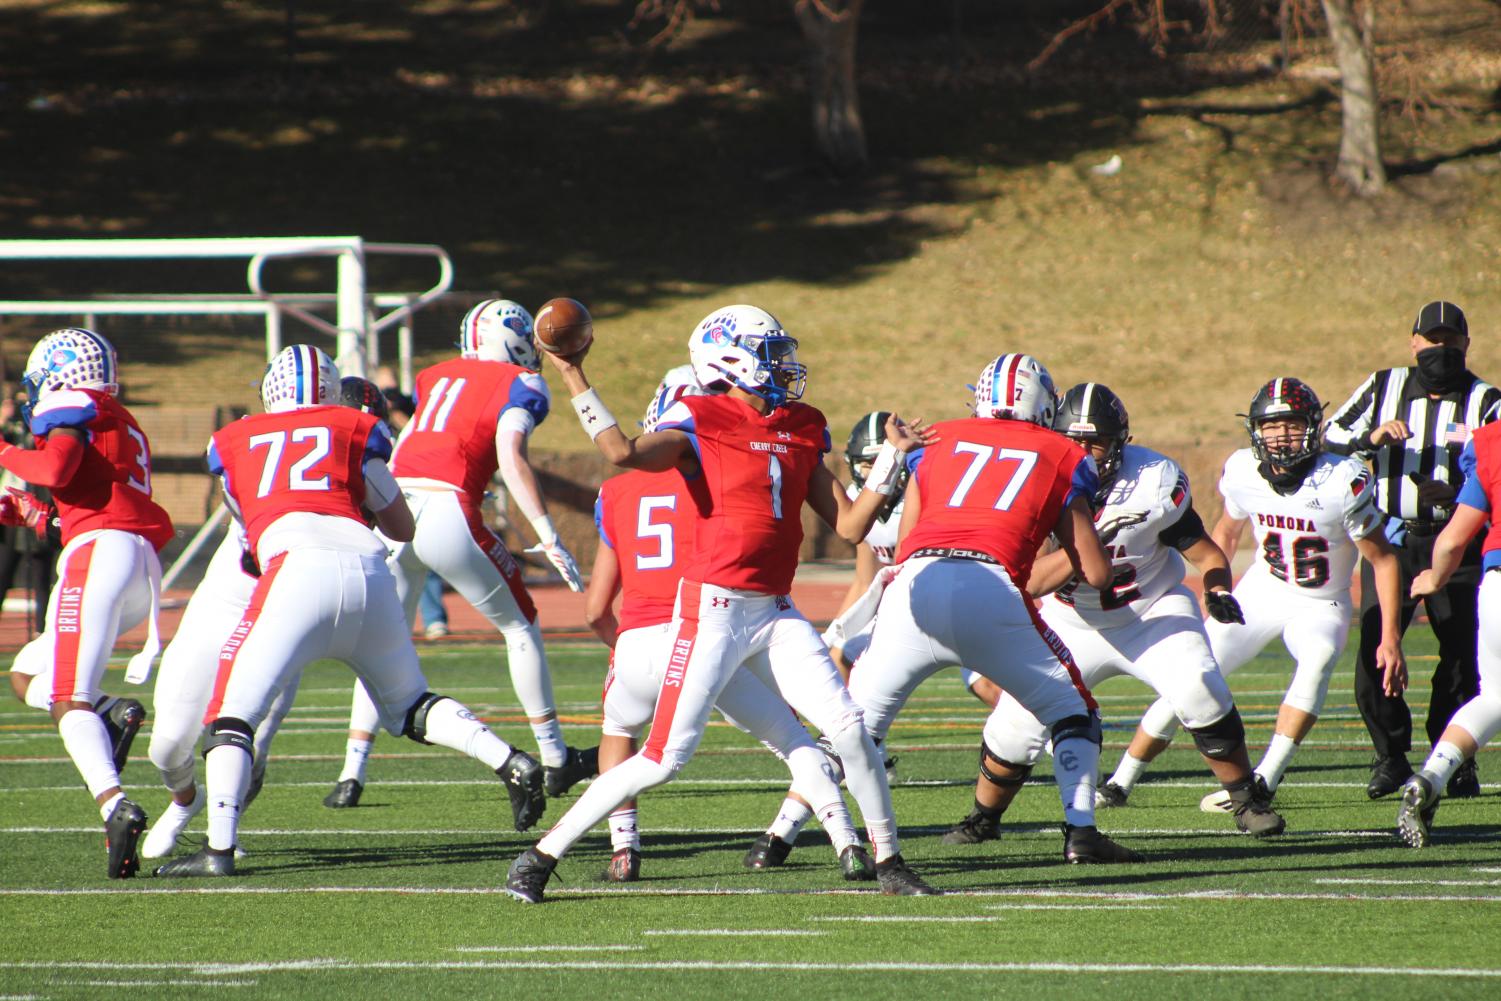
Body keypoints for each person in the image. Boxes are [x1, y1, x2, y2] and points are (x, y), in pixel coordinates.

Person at [506, 303, 936, 903]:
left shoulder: (802, 424)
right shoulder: (702, 418)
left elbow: (851, 525)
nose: (785, 363)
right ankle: (542, 855)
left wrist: (892, 461)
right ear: (729, 360)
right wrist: (574, 373)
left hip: (776, 611)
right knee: (662, 758)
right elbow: (622, 452)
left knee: (849, 729)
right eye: (771, 352)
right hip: (714, 610)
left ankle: (890, 860)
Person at [154, 346, 545, 878]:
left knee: (232, 715)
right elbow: (401, 527)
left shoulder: (233, 440)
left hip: (294, 572)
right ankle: (511, 761)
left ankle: (219, 849)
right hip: (369, 570)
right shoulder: (354, 427)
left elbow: (249, 535)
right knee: (410, 705)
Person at [942, 383, 1284, 844]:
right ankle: (983, 819)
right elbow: (1031, 580)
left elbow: (1206, 554)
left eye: (1094, 442)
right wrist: (1090, 546)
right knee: (1015, 724)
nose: (1081, 452)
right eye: (1072, 440)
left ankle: (1247, 800)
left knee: (1199, 686)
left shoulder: (1153, 481)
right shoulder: (1033, 476)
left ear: (1119, 443)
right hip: (1070, 619)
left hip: (1150, 610)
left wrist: (1217, 587)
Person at [844, 354, 1141, 865]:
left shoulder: (937, 439)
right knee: (1074, 712)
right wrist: (1096, 539)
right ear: (1044, 405)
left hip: (914, 586)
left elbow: (911, 539)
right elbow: (1094, 573)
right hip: (991, 585)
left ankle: (814, 837)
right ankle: (1082, 832)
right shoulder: (1062, 452)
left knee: (853, 727)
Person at [583, 371, 874, 883]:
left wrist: (620, 643)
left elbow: (594, 609)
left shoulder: (617, 492)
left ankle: (619, 847)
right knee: (795, 743)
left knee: (624, 734)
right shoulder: (721, 473)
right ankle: (847, 839)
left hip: (644, 641)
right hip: (707, 628)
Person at [324, 299, 593, 810]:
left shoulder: (434, 376)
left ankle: (350, 773)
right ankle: (556, 760)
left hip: (394, 505)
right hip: (446, 508)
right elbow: (510, 457)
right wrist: (547, 533)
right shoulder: (523, 384)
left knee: (385, 641)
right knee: (521, 627)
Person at [1099, 378, 1406, 806]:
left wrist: (1389, 637)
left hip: (1322, 601)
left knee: (1316, 662)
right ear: (1255, 430)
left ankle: (1264, 780)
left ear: (1314, 426)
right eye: (1271, 425)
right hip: (1262, 590)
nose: (1281, 435)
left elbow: (1384, 559)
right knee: (1192, 677)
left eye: (1292, 424)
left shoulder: (1342, 480)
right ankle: (1120, 782)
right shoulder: (1242, 470)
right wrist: (1215, 587)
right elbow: (1226, 531)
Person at [140, 377, 391, 859]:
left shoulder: (360, 461)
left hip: (280, 617)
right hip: (224, 603)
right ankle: (184, 799)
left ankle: (222, 838)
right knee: (167, 745)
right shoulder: (262, 444)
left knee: (240, 735)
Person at [0, 327, 173, 879]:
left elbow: (55, 469)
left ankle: (113, 804)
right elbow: (96, 496)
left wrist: (4, 451)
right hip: (133, 562)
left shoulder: (68, 404)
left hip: (100, 558)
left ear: (58, 372)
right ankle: (113, 711)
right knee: (28, 672)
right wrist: (39, 516)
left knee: (63, 696)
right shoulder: (115, 415)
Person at [1324, 300, 1500, 799]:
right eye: (1431, 339)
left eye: (1451, 341)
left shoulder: (1487, 400)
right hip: (1392, 538)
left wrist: (1463, 493)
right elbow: (1329, 439)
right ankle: (1391, 756)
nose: (1440, 349)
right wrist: (1370, 437)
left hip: (1457, 539)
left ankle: (1454, 756)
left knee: (1464, 655)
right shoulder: (1383, 387)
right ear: (1414, 342)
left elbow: (1495, 464)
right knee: (1376, 647)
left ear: (1467, 344)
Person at [1397, 417, 1501, 845]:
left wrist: (1434, 579)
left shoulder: (1493, 441)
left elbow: (1452, 541)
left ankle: (1432, 776)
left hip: (1497, 585)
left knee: (1495, 697)